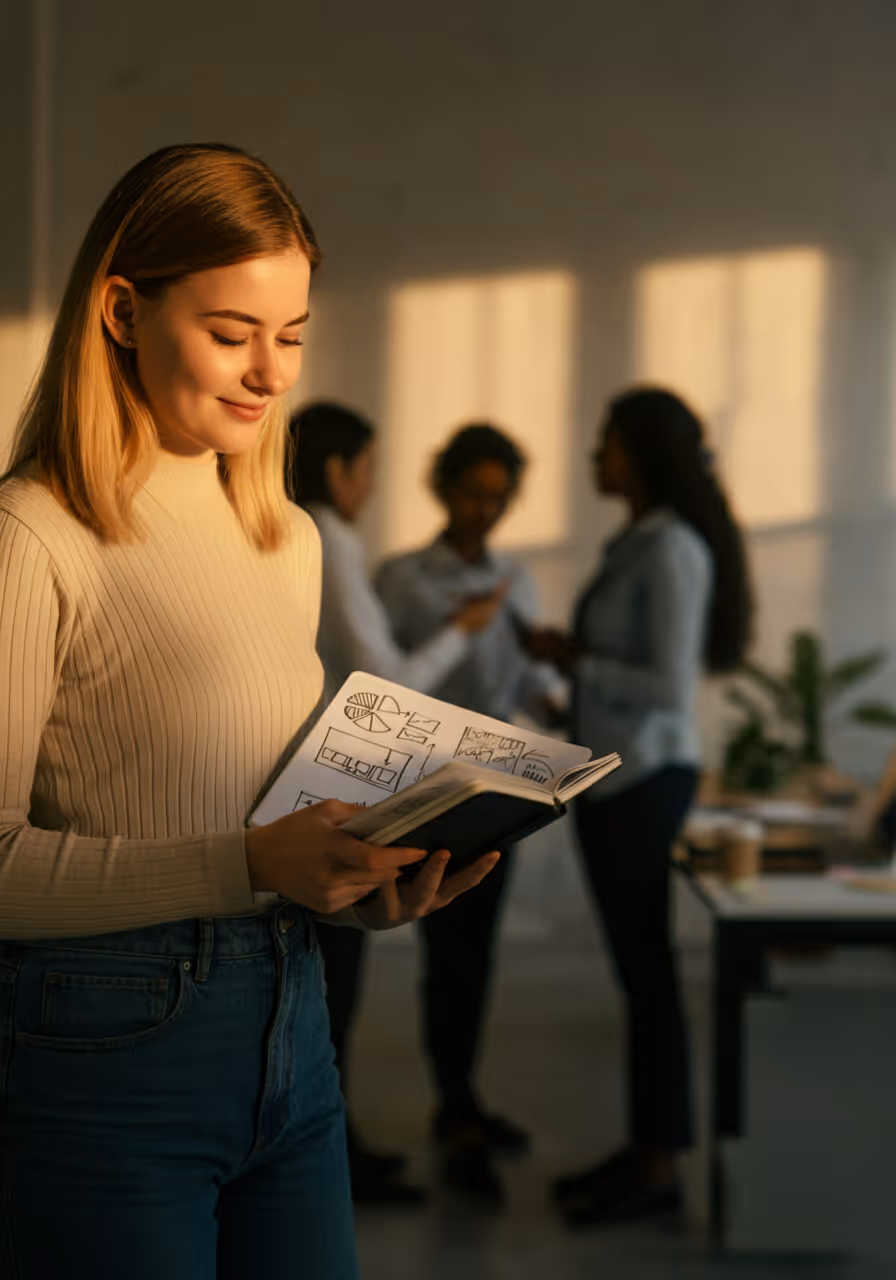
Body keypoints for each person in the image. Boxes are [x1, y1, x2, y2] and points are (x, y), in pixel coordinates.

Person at [0, 143, 499, 1280]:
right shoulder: (32, 536)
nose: (270, 373)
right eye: (232, 334)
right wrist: (248, 864)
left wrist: (358, 885)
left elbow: (267, 830)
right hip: (104, 1059)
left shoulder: (286, 536)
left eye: (293, 336)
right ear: (122, 312)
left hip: (293, 1025)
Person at [286, 401, 504, 1205]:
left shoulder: (293, 531)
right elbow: (387, 679)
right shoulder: (331, 538)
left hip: (316, 779)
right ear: (338, 470)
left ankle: (332, 1143)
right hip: (337, 784)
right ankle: (329, 1152)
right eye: (367, 470)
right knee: (335, 973)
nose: (371, 488)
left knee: (329, 973)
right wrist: (464, 629)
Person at [546, 387, 752, 1226]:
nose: (595, 453)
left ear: (641, 452)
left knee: (649, 977)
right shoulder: (638, 541)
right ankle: (645, 1150)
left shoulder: (671, 549)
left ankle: (660, 1165)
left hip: (645, 782)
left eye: (608, 439)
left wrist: (578, 663)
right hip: (614, 777)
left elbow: (669, 687)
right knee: (639, 977)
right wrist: (573, 686)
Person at [375, 423, 567, 1205]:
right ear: (443, 488)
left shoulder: (519, 580)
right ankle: (456, 1112)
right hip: (425, 789)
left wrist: (554, 695)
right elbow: (383, 685)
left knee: (473, 955)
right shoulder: (402, 578)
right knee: (443, 952)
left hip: (498, 788)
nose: (484, 509)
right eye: (472, 492)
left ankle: (461, 1101)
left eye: (498, 497)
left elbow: (524, 687)